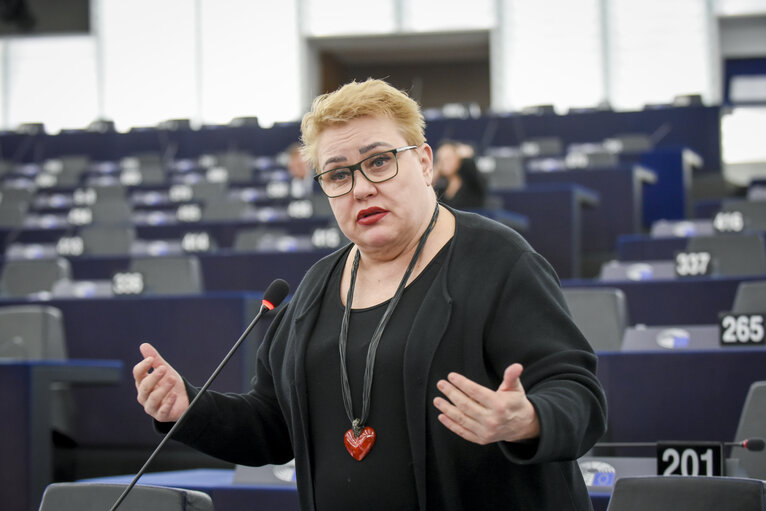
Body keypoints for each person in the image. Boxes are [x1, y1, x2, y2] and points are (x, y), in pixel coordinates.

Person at [133, 78, 607, 510]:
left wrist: (527, 419)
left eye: (379, 162)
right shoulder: (316, 288)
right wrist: (188, 408)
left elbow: (579, 396)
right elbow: (274, 427)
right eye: (338, 175)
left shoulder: (498, 260)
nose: (360, 188)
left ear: (424, 163)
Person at [432, 140, 487, 209]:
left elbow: (473, 171)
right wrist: (436, 171)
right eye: (440, 159)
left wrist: (466, 157)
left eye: (448, 158)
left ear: (459, 159)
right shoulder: (441, 189)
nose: (444, 163)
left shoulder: (472, 185)